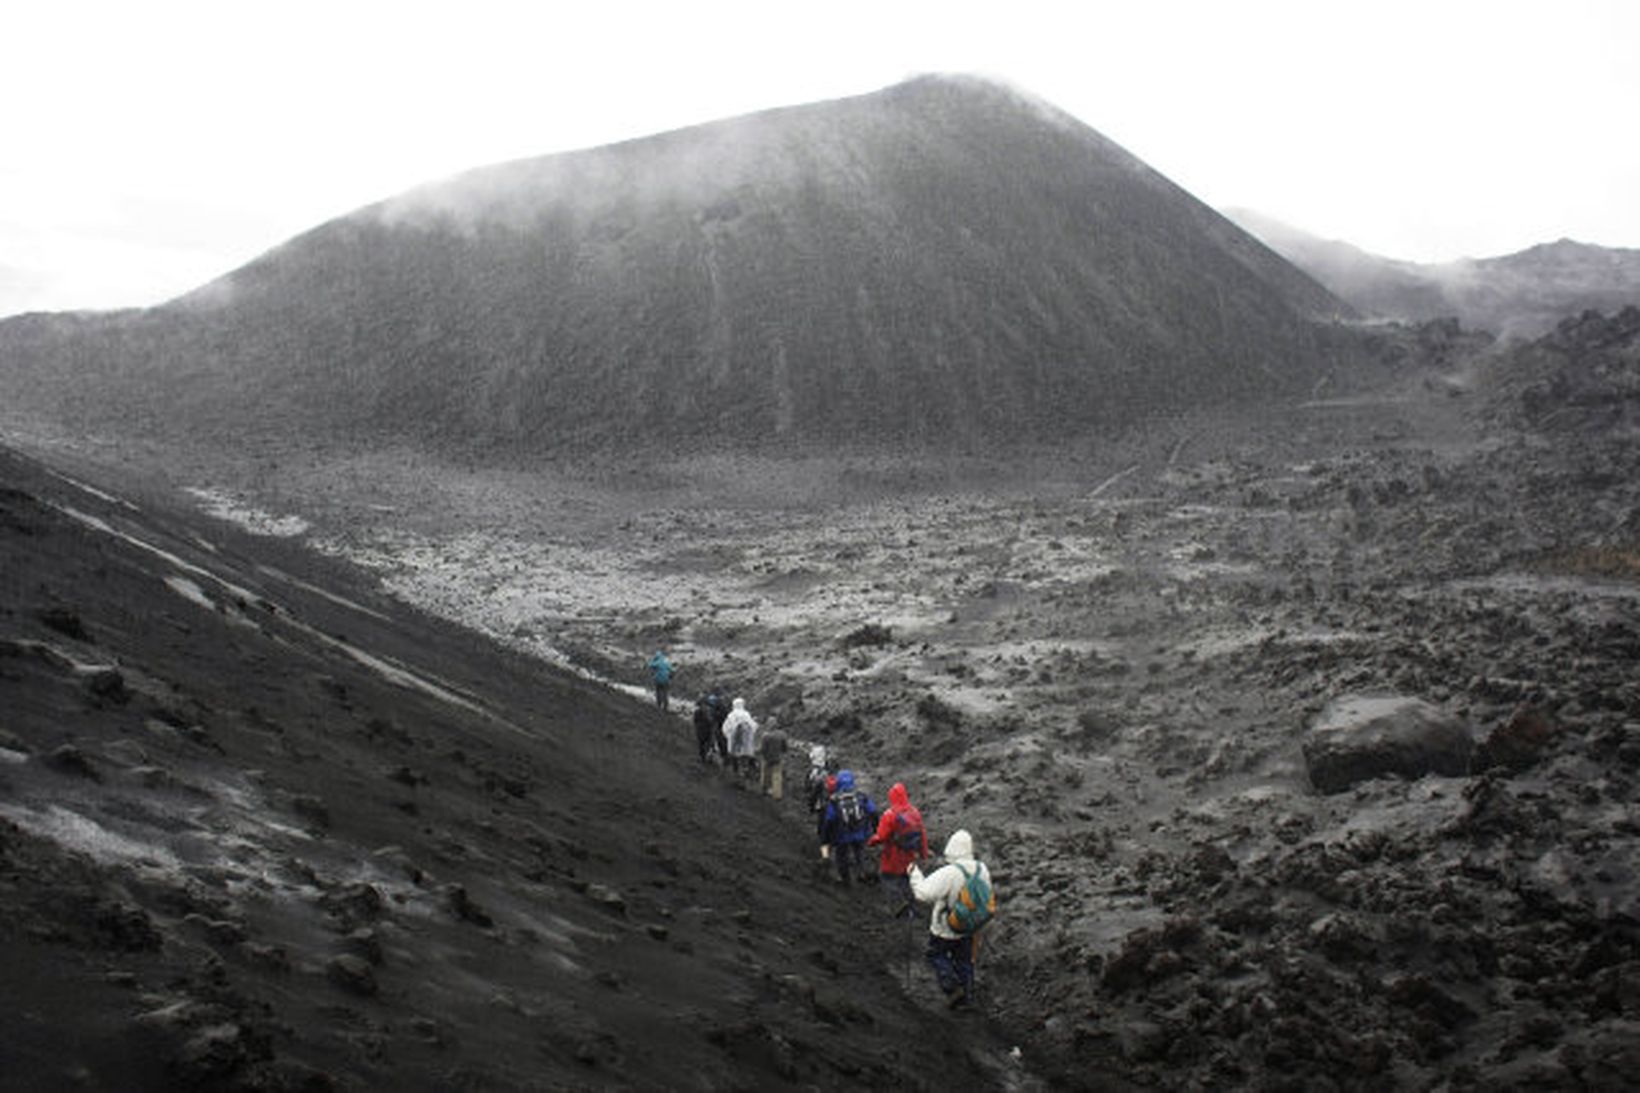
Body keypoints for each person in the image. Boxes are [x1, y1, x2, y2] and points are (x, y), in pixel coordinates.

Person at [909, 829, 994, 1009]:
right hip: (971, 925)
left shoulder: (950, 872)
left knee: (936, 954)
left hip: (946, 926)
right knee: (964, 960)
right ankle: (967, 996)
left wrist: (913, 873)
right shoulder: (982, 868)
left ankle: (952, 987)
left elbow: (923, 894)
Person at [867, 782, 928, 917]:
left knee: (888, 878)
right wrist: (924, 853)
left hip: (892, 855)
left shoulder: (889, 815)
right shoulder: (915, 812)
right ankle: (911, 905)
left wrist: (871, 841)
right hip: (910, 854)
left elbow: (882, 836)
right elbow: (922, 834)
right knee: (905, 878)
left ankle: (898, 905)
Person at [817, 769, 877, 884]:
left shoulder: (834, 800)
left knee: (841, 857)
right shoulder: (861, 797)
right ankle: (862, 873)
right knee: (860, 852)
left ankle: (845, 878)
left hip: (842, 835)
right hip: (860, 832)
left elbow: (829, 819)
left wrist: (826, 838)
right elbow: (872, 811)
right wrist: (874, 828)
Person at [722, 697, 758, 778]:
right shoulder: (746, 714)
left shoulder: (731, 715)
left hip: (734, 741)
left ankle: (736, 772)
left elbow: (725, 727)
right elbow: (753, 726)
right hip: (746, 743)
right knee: (744, 756)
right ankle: (745, 770)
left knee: (734, 755)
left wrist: (728, 735)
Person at [757, 719, 788, 799]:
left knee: (765, 775)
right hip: (778, 758)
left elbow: (763, 749)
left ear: (768, 725)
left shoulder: (765, 736)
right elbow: (785, 748)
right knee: (777, 776)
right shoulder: (782, 735)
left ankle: (764, 789)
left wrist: (759, 754)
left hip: (767, 758)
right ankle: (777, 794)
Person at [804, 745, 832, 815]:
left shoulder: (814, 752)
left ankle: (814, 804)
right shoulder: (823, 751)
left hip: (816, 771)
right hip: (822, 770)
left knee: (814, 787)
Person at [691, 695, 716, 764]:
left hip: (700, 730)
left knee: (701, 744)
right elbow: (712, 721)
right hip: (708, 729)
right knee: (709, 744)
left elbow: (695, 721)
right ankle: (710, 757)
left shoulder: (697, 711)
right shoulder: (710, 711)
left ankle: (703, 758)